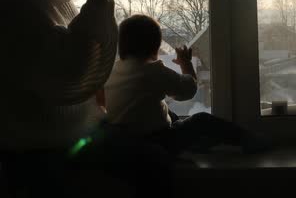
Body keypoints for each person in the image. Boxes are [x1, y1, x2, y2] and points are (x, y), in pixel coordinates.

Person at [0, 0, 125, 195]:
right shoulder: (19, 3)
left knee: (152, 161)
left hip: (67, 142)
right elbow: (68, 70)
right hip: (39, 157)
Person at [102, 14, 269, 156]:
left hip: (123, 141)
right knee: (201, 120)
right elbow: (187, 91)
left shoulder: (112, 71)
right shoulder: (153, 71)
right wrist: (185, 64)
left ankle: (196, 142)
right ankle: (248, 139)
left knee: (168, 112)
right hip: (155, 141)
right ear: (155, 46)